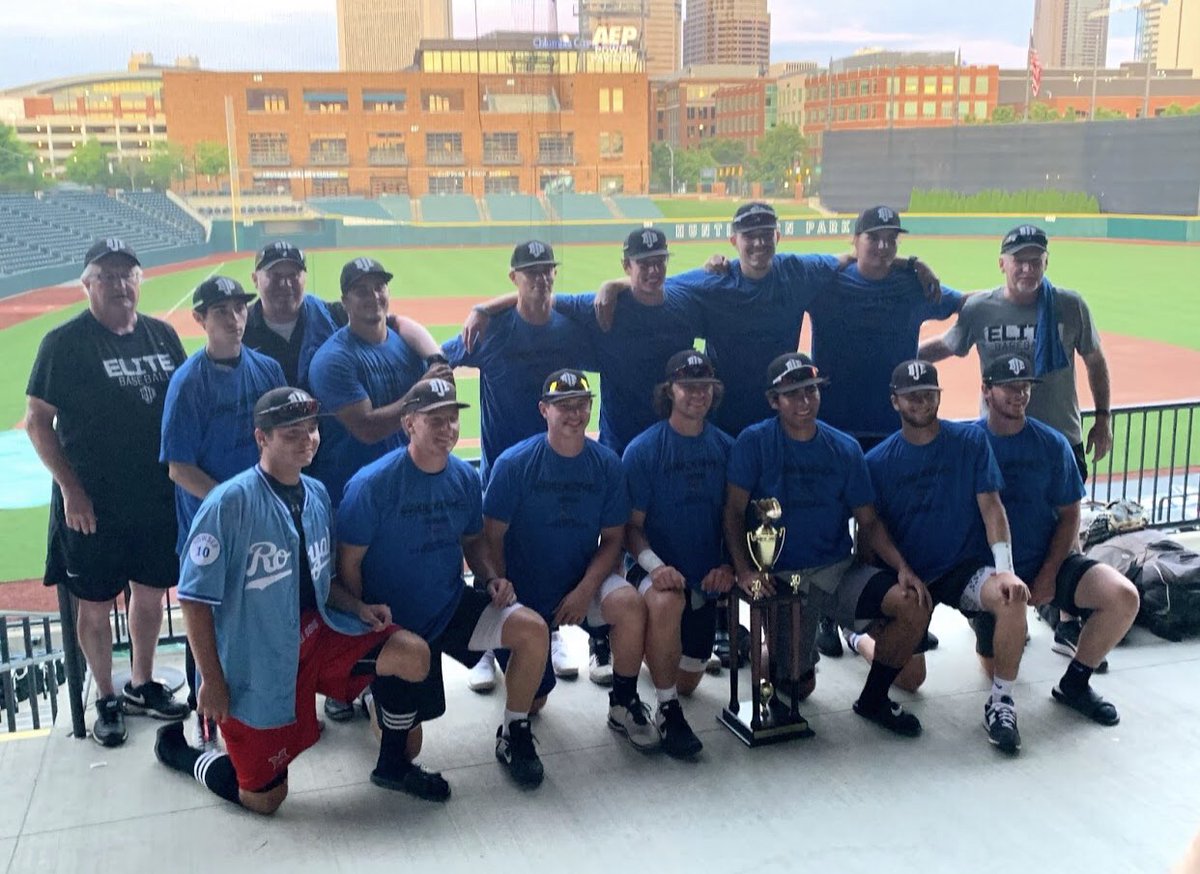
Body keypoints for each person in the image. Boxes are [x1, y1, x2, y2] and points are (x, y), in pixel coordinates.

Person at [154, 388, 431, 814]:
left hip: (319, 635)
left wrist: (357, 608)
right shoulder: (228, 503)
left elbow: (322, 579)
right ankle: (184, 755)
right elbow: (193, 600)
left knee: (413, 654)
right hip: (258, 662)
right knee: (263, 800)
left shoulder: (317, 493)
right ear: (261, 438)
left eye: (312, 429)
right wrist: (212, 679)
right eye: (291, 433)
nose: (308, 439)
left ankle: (393, 763)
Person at [338, 378, 551, 788]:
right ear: (409, 424)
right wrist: (364, 629)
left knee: (532, 629)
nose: (447, 429)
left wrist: (491, 578)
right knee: (407, 748)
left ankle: (514, 732)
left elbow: (473, 540)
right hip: (393, 625)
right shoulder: (372, 485)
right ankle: (370, 694)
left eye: (452, 419)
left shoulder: (464, 478)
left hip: (447, 605)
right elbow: (349, 565)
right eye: (435, 420)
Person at [920, 224, 1114, 659]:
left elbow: (1095, 358)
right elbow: (950, 345)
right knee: (994, 523)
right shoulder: (981, 308)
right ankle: (997, 610)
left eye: (1035, 259)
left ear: (1047, 262)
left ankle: (1065, 620)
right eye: (1018, 259)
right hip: (998, 440)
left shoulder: (1068, 305)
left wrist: (1102, 418)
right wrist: (901, 359)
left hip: (1058, 436)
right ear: (1002, 263)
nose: (1027, 268)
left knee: (1068, 528)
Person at [26, 238, 189, 747]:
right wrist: (71, 490)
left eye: (128, 274)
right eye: (107, 275)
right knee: (93, 605)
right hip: (90, 507)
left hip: (154, 500)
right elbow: (37, 423)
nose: (120, 284)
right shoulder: (64, 343)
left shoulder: (163, 337)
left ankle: (141, 683)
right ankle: (105, 697)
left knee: (149, 594)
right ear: (87, 284)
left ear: (139, 281)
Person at [722, 353, 933, 736]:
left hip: (837, 571)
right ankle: (774, 650)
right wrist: (746, 570)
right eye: (793, 394)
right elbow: (734, 513)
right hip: (784, 579)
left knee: (913, 609)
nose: (805, 402)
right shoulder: (753, 442)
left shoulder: (844, 447)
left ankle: (872, 696)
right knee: (798, 687)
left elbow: (868, 520)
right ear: (774, 400)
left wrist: (901, 567)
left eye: (811, 392)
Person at [442, 240, 596, 691]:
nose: (540, 278)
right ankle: (488, 647)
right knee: (493, 555)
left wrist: (487, 304)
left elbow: (603, 311)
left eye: (547, 270)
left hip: (555, 469)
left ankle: (553, 632)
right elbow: (437, 361)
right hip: (502, 472)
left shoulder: (568, 328)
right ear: (514, 278)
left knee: (548, 550)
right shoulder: (490, 331)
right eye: (530, 272)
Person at [483, 369, 660, 751]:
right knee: (534, 703)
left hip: (578, 582)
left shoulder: (607, 464)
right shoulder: (514, 464)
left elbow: (613, 539)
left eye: (582, 404)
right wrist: (502, 590)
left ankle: (624, 703)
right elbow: (491, 536)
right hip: (525, 594)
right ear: (543, 410)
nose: (574, 413)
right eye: (563, 406)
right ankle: (513, 702)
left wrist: (585, 590)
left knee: (629, 603)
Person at [865, 360, 1030, 753]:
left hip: (964, 569)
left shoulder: (970, 442)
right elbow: (872, 530)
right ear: (894, 401)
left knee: (1011, 598)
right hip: (912, 578)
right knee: (911, 681)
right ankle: (861, 641)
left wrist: (1005, 570)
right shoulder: (877, 462)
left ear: (939, 396)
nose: (921, 401)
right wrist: (891, 578)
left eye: (929, 393)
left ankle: (1002, 703)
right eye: (911, 395)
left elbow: (991, 505)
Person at [975, 353, 1138, 725]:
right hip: (988, 573)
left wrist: (1049, 574)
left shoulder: (1052, 444)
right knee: (996, 666)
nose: (1019, 394)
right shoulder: (968, 442)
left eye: (1025, 386)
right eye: (1009, 387)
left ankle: (1075, 684)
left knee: (1123, 597)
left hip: (1049, 559)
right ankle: (989, 636)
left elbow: (1070, 514)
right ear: (986, 391)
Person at [621, 350, 734, 757]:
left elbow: (733, 519)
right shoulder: (644, 450)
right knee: (667, 602)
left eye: (705, 386)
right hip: (653, 569)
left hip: (704, 580)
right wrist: (655, 566)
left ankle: (659, 660)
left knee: (688, 681)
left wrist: (728, 566)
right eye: (688, 386)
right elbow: (631, 528)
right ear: (670, 390)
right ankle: (666, 711)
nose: (697, 394)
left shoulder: (726, 447)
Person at [161, 276, 285, 554]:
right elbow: (179, 468)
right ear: (199, 318)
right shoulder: (187, 384)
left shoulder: (269, 369)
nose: (234, 319)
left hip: (263, 517)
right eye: (221, 311)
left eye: (240, 308)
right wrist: (236, 503)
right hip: (211, 526)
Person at [306, 257, 429, 509]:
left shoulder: (407, 344)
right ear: (345, 302)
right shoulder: (332, 359)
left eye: (379, 287)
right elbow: (367, 429)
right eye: (361, 291)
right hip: (352, 496)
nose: (373, 296)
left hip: (406, 488)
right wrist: (420, 394)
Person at [243, 240, 445, 390]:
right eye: (275, 276)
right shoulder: (240, 327)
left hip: (327, 438)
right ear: (255, 279)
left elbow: (394, 323)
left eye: (293, 275)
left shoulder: (331, 315)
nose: (285, 284)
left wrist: (436, 359)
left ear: (304, 278)